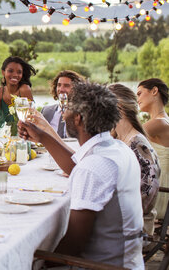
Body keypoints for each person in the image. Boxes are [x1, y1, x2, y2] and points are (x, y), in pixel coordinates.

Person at [19, 82, 143, 269]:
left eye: (67, 107)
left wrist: (37, 262)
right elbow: (76, 166)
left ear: (78, 118)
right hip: (129, 260)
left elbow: (75, 244)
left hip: (103, 265)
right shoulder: (117, 149)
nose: (63, 112)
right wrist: (42, 137)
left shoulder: (94, 166)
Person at [109, 83, 160, 235]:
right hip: (121, 218)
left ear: (119, 107)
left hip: (136, 227)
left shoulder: (138, 144)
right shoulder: (118, 139)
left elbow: (146, 198)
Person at [137, 78, 169, 220]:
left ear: (154, 91)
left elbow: (125, 138)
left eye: (139, 93)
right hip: (155, 184)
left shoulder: (159, 123)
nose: (137, 99)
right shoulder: (161, 121)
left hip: (159, 192)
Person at [0, 56, 35, 132]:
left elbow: (31, 119)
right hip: (4, 136)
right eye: (10, 71)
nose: (15, 75)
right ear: (3, 72)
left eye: (19, 72)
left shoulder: (24, 89)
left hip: (23, 136)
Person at [41, 70, 84, 138]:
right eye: (59, 85)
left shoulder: (83, 113)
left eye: (66, 86)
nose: (61, 89)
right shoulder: (46, 111)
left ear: (77, 89)